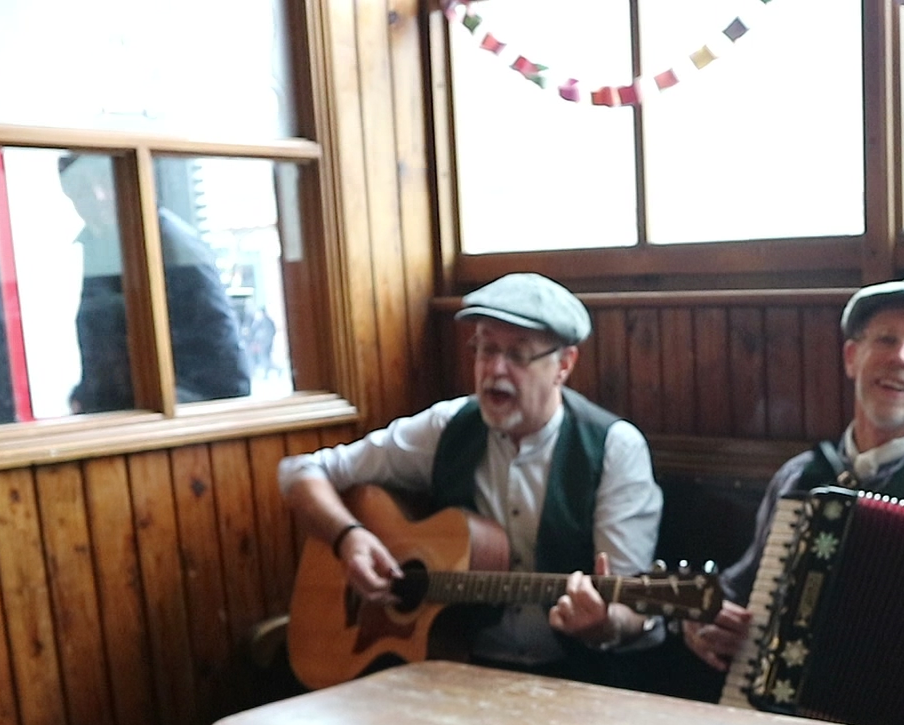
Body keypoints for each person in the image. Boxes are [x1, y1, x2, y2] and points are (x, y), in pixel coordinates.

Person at [681, 278, 904, 718]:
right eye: (886, 340)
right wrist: (702, 619)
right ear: (852, 358)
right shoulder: (799, 478)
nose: (900, 358)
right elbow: (740, 590)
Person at [278, 271, 665, 681]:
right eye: (485, 349)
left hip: (575, 681)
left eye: (518, 355)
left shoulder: (613, 449)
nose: (495, 370)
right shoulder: (446, 427)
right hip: (450, 670)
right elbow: (300, 471)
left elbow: (630, 609)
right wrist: (348, 537)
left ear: (563, 365)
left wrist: (604, 624)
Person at [59, 154, 251, 412]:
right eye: (81, 186)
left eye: (104, 179)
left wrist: (153, 411)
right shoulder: (100, 245)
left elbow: (227, 377)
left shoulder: (176, 248)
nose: (98, 195)